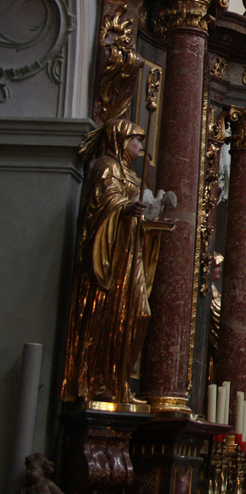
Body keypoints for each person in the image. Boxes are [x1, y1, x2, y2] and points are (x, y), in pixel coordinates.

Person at [61, 118, 168, 405]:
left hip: (130, 253)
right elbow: (97, 206)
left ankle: (118, 382)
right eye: (136, 141)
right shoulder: (107, 166)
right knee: (110, 317)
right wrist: (124, 207)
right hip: (112, 257)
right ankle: (99, 382)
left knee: (139, 315)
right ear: (122, 140)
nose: (140, 147)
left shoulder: (130, 173)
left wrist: (151, 221)